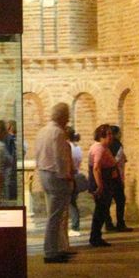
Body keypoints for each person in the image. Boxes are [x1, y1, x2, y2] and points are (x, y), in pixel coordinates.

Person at [35, 103, 75, 263]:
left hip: (44, 173)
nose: (68, 119)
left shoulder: (42, 131)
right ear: (63, 117)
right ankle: (51, 251)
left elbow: (38, 154)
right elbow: (60, 157)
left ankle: (58, 248)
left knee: (55, 215)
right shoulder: (57, 132)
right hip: (56, 176)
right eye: (67, 116)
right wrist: (66, 175)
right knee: (55, 216)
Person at [86, 125, 117, 247]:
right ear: (101, 136)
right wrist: (100, 186)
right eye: (108, 134)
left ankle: (96, 237)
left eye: (111, 134)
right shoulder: (99, 148)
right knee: (100, 211)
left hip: (106, 180)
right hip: (102, 181)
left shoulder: (103, 147)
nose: (111, 137)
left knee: (102, 210)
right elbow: (96, 168)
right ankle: (95, 238)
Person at [107, 125, 133, 232]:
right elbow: (116, 160)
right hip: (116, 177)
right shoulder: (117, 145)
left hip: (108, 177)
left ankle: (108, 224)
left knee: (107, 202)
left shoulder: (107, 145)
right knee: (120, 200)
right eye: (119, 133)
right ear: (116, 134)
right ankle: (120, 224)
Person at [67, 127, 83, 232]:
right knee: (72, 202)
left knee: (71, 203)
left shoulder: (69, 148)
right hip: (76, 174)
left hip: (70, 176)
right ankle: (75, 224)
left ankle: (75, 225)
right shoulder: (78, 148)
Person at [4, 120, 18, 201]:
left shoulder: (7, 138)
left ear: (9, 127)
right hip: (12, 168)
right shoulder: (14, 138)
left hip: (9, 168)